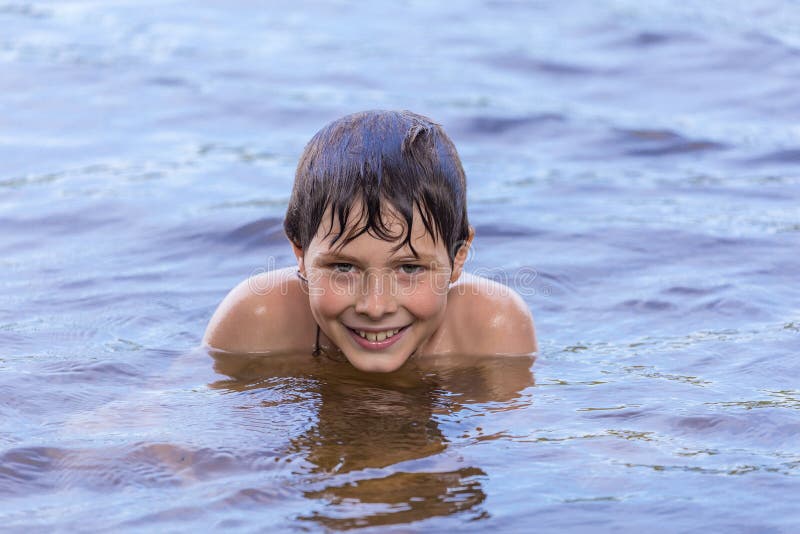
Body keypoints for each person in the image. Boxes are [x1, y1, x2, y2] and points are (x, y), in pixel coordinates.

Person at [203, 110, 537, 373]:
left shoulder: (492, 329)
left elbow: (517, 448)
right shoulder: (257, 318)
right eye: (343, 267)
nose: (375, 307)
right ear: (300, 252)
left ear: (458, 257)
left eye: (409, 268)